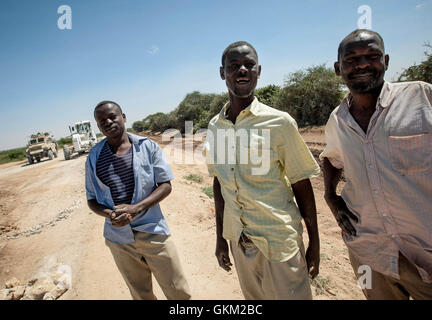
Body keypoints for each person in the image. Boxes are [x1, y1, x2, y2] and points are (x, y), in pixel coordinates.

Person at [204, 41, 321, 300]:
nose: (242, 70)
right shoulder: (215, 127)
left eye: (249, 65)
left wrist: (315, 242)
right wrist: (222, 238)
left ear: (259, 71)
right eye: (234, 66)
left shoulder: (279, 122)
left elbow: (301, 182)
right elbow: (219, 183)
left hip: (279, 243)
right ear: (222, 73)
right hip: (239, 241)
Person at [321, 29, 432, 300]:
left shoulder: (422, 98)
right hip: (370, 253)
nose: (361, 64)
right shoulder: (338, 119)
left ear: (386, 61)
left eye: (372, 56)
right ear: (338, 68)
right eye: (351, 59)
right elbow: (331, 158)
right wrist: (330, 197)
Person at [85, 101, 191, 300]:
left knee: (178, 292)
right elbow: (92, 199)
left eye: (112, 117)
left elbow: (165, 185)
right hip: (119, 240)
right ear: (98, 127)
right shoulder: (94, 157)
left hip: (153, 231)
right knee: (140, 295)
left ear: (123, 117)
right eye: (102, 121)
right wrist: (111, 215)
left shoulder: (147, 146)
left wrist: (136, 209)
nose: (108, 122)